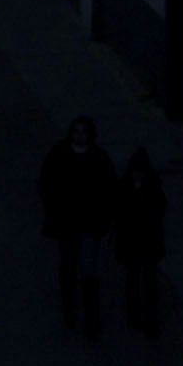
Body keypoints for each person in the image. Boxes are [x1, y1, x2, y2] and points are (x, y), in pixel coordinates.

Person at [38, 114, 113, 336]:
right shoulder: (59, 155)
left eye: (84, 132)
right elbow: (46, 183)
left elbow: (108, 189)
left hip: (89, 223)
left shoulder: (99, 158)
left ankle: (91, 318)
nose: (80, 136)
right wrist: (54, 206)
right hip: (66, 221)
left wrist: (104, 217)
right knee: (68, 266)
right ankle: (70, 309)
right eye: (77, 131)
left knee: (88, 270)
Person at [114, 144, 168, 336]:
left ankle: (146, 317)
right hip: (137, 241)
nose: (138, 175)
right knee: (137, 281)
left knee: (146, 281)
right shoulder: (134, 188)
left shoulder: (149, 188)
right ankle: (137, 315)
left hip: (145, 241)